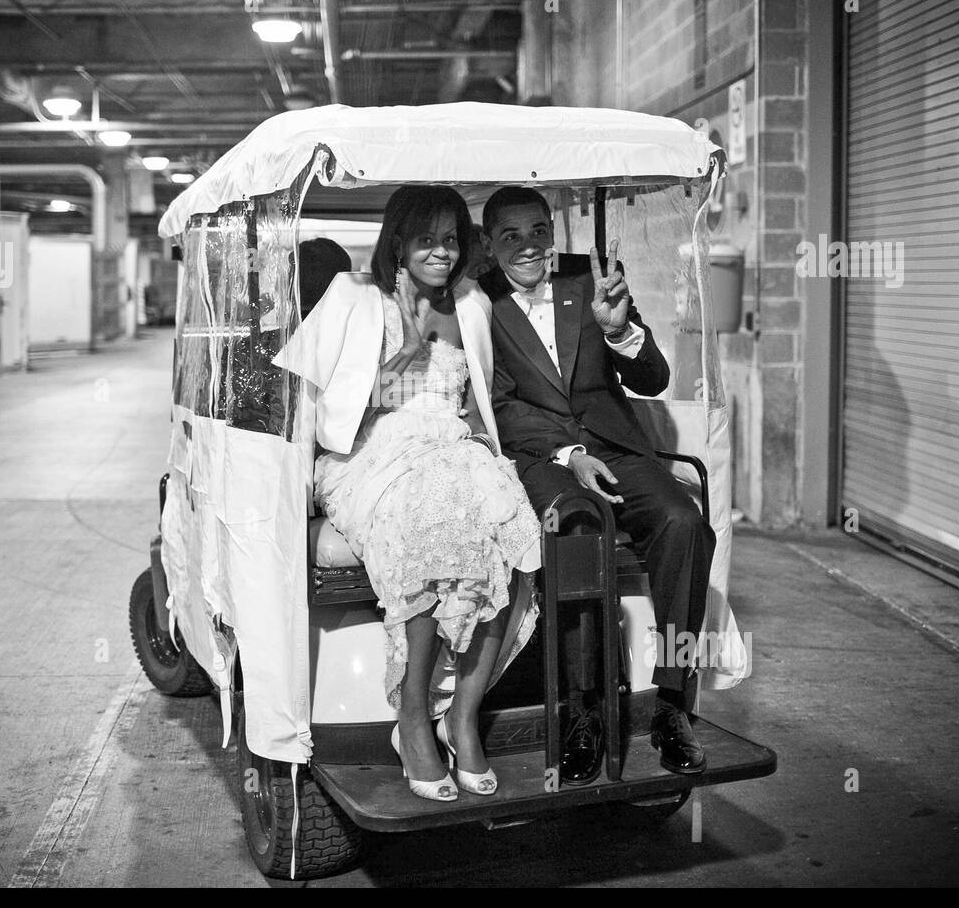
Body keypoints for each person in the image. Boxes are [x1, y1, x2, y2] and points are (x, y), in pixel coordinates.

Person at [276, 185, 541, 803]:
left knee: (515, 528)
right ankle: (414, 721)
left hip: (450, 444)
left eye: (451, 240)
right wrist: (405, 355)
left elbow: (476, 400)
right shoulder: (352, 295)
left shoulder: (471, 302)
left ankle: (463, 716)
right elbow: (306, 405)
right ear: (397, 241)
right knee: (426, 524)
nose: (442, 253)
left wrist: (483, 446)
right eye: (427, 240)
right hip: (367, 452)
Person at [479, 186, 714, 782]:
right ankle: (585, 711)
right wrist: (569, 453)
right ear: (488, 245)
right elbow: (499, 407)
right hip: (543, 459)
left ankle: (671, 703)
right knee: (576, 527)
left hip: (619, 449)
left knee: (683, 520)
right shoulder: (477, 302)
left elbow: (654, 378)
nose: (527, 246)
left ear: (551, 232)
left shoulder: (588, 283)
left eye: (537, 231)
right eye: (510, 236)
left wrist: (618, 332)